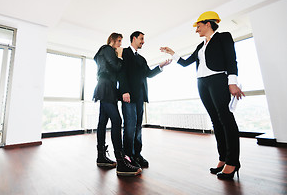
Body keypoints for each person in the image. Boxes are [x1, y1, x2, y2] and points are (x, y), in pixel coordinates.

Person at [160, 11, 245, 180]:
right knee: (215, 120)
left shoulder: (223, 37)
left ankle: (233, 161)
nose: (196, 29)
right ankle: (223, 158)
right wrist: (172, 52)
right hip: (202, 82)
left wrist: (232, 81)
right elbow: (185, 63)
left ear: (208, 23)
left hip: (218, 79)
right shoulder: (201, 46)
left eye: (198, 25)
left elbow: (231, 59)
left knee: (225, 118)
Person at [119, 31, 171, 168]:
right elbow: (121, 72)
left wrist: (160, 66)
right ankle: (128, 156)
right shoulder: (124, 53)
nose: (143, 41)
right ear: (134, 38)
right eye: (141, 39)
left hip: (140, 96)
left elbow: (148, 74)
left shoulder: (142, 59)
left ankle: (137, 154)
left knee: (137, 127)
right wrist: (124, 90)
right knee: (129, 127)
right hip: (129, 96)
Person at [93, 32, 142, 176]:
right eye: (119, 41)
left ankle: (101, 157)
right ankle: (121, 162)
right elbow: (115, 66)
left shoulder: (102, 52)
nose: (121, 44)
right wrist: (120, 56)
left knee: (103, 121)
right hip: (107, 87)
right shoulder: (107, 49)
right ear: (113, 40)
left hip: (105, 86)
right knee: (117, 120)